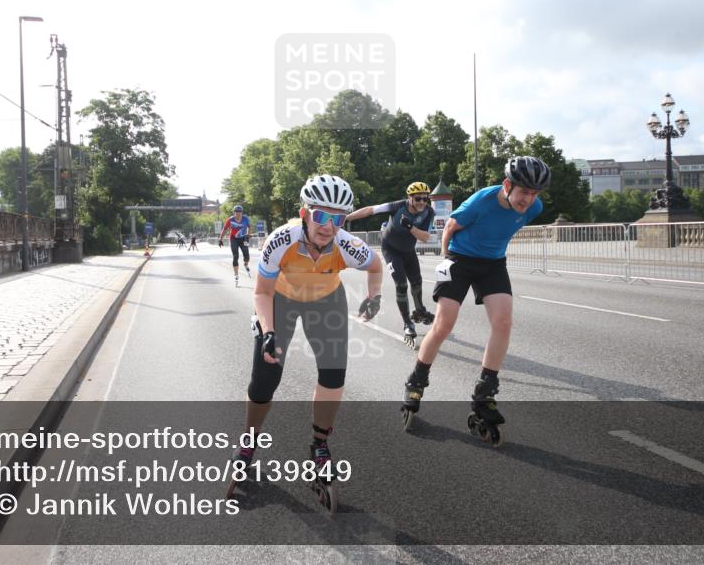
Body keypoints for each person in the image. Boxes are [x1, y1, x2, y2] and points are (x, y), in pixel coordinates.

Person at [229, 174, 383, 510]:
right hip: (280, 299)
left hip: (325, 300)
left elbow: (376, 264)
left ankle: (320, 444)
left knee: (333, 373)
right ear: (304, 213)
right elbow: (261, 292)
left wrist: (374, 296)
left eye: (338, 218)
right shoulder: (280, 240)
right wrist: (269, 333)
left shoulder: (346, 245)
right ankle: (249, 440)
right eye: (321, 216)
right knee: (265, 377)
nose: (328, 226)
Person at [401, 156, 551, 445]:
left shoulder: (535, 207)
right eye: (523, 192)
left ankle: (485, 395)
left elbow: (507, 226)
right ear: (507, 185)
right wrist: (445, 261)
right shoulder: (481, 201)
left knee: (503, 322)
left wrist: (492, 244)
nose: (528, 200)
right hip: (459, 259)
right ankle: (416, 381)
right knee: (444, 324)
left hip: (493, 263)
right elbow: (450, 228)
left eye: (534, 194)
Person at [346, 182, 436, 348]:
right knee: (401, 285)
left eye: (425, 198)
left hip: (408, 251)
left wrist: (410, 227)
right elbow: (369, 210)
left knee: (417, 282)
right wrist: (345, 218)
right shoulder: (397, 206)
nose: (422, 202)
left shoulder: (429, 212)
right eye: (418, 198)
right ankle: (408, 324)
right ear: (410, 198)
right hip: (391, 250)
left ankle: (420, 310)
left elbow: (424, 237)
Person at [218, 205, 252, 286]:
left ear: (242, 212)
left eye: (240, 212)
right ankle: (236, 275)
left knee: (247, 256)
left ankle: (245, 264)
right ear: (234, 212)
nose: (238, 214)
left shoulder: (245, 219)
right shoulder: (230, 220)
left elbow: (250, 227)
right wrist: (220, 239)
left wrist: (248, 235)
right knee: (235, 256)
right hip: (233, 239)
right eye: (236, 212)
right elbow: (224, 229)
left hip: (243, 238)